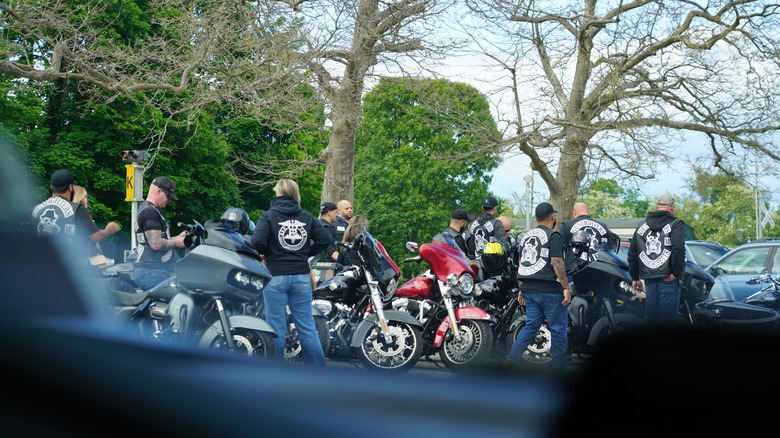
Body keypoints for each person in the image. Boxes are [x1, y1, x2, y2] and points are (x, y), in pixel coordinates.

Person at [251, 178, 331, 366]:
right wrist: (304, 254)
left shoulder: (268, 216)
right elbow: (325, 239)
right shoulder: (307, 217)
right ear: (295, 194)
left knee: (275, 327)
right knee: (307, 327)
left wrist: (268, 254)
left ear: (278, 193)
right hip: (302, 277)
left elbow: (257, 242)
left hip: (276, 276)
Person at [506, 202, 571, 371]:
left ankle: (512, 358)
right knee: (558, 328)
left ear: (536, 218)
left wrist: (522, 287)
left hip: (529, 288)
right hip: (550, 290)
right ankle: (558, 368)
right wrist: (565, 287)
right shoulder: (554, 236)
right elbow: (557, 261)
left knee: (532, 325)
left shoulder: (526, 237)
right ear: (552, 216)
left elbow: (523, 263)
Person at [627, 193, 685, 325]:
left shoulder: (642, 225)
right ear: (672, 208)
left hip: (650, 281)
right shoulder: (675, 224)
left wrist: (635, 277)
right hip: (668, 279)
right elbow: (678, 250)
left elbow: (632, 253)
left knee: (652, 322)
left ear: (657, 207)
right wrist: (676, 273)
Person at [30, 170, 120, 250]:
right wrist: (109, 230)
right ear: (70, 187)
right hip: (65, 264)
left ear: (51, 186)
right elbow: (95, 236)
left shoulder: (37, 209)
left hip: (39, 262)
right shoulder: (77, 208)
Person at [134, 176, 186, 290]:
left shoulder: (149, 209)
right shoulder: (150, 212)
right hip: (152, 272)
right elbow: (155, 243)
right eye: (168, 196)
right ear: (159, 191)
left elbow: (155, 239)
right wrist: (177, 243)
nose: (169, 200)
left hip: (152, 272)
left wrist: (178, 237)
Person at [559, 202, 611, 281]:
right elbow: (609, 249)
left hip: (573, 271)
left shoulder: (567, 225)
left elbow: (558, 248)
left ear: (574, 212)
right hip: (598, 270)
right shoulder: (603, 226)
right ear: (588, 212)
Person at [310, 202, 340, 285]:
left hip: (314, 265)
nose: (337, 215)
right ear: (330, 213)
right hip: (324, 267)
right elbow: (329, 248)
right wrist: (342, 261)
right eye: (336, 212)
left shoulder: (317, 226)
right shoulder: (326, 228)